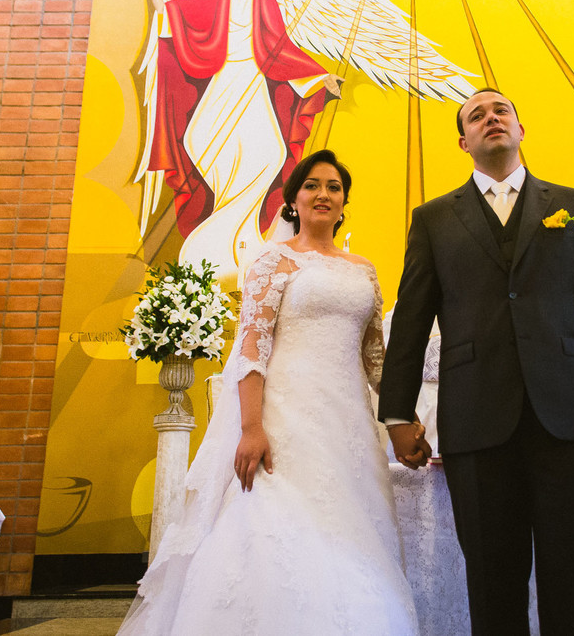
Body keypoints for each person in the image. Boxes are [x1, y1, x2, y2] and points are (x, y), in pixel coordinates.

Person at [117, 150, 419, 634]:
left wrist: (403, 416)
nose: (323, 194)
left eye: (334, 187)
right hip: (285, 420)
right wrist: (252, 427)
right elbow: (251, 348)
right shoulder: (271, 261)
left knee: (354, 528)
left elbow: (375, 360)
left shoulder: (363, 270)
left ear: (345, 203)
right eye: (312, 185)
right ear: (293, 200)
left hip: (348, 426)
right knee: (273, 522)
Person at [379, 88, 574, 634]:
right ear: (464, 142)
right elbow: (410, 324)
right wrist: (398, 414)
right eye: (476, 115)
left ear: (521, 129)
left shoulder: (573, 205)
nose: (491, 118)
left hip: (564, 414)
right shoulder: (433, 219)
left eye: (501, 110)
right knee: (492, 576)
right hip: (475, 418)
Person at [137, 0, 342, 271]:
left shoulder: (266, 5)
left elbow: (281, 50)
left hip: (253, 80)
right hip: (224, 79)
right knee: (199, 141)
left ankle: (242, 241)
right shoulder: (213, 2)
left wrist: (319, 77)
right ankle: (217, 239)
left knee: (272, 153)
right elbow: (166, 12)